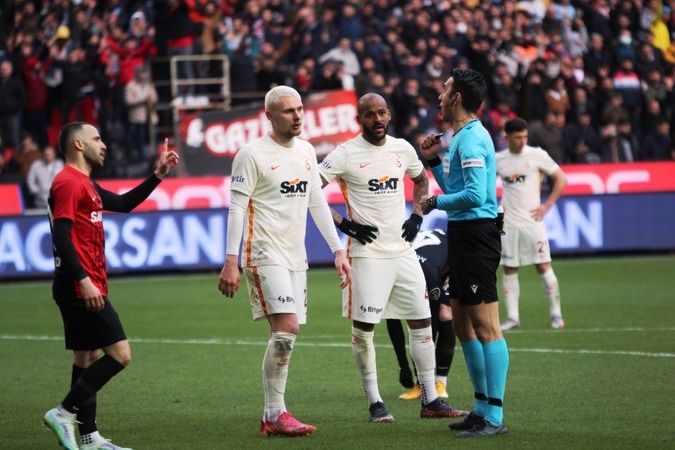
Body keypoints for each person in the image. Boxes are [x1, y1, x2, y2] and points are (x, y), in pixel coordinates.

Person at [319, 92, 466, 424]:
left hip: (402, 251)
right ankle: (375, 403)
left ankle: (431, 400)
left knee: (422, 324)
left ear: (389, 114)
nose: (378, 119)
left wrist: (417, 215)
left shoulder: (402, 149)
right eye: (370, 114)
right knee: (364, 331)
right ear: (360, 120)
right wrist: (346, 224)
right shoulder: (344, 154)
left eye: (382, 112)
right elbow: (310, 191)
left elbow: (420, 178)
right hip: (366, 254)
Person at [217, 86, 351, 437]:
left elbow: (316, 202)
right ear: (269, 116)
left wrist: (338, 250)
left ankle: (272, 415)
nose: (297, 116)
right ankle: (275, 412)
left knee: (284, 333)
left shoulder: (307, 151)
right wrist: (231, 261)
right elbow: (236, 208)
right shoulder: (251, 154)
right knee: (287, 328)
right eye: (289, 111)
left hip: (295, 256)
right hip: (263, 253)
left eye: (300, 109)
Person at [43, 122, 179, 450]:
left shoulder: (84, 183)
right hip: (79, 285)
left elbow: (123, 203)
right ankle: (63, 413)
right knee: (120, 354)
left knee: (86, 358)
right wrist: (83, 280)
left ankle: (89, 438)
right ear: (77, 144)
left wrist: (158, 175)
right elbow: (61, 234)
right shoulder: (67, 182)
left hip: (82, 283)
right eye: (97, 138)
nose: (103, 144)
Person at [419, 68, 509, 437]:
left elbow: (473, 196)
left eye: (444, 89)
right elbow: (458, 187)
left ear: (456, 97)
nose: (439, 95)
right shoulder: (458, 138)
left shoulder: (471, 140)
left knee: (486, 326)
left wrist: (435, 201)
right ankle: (480, 407)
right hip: (461, 233)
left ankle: (495, 416)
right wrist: (434, 163)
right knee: (461, 324)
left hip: (477, 235)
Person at [496, 118, 567, 330]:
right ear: (506, 136)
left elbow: (561, 178)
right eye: (518, 137)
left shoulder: (537, 155)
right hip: (507, 223)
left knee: (543, 265)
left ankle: (556, 314)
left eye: (525, 136)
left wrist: (547, 206)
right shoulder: (498, 159)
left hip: (532, 221)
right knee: (509, 268)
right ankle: (513, 317)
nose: (522, 141)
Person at [386, 229, 458, 402]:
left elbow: (428, 328)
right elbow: (392, 319)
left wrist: (418, 377)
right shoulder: (391, 274)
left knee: (444, 315)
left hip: (448, 261)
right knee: (412, 320)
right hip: (416, 259)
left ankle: (439, 382)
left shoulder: (430, 275)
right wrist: (403, 367)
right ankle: (422, 384)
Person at [26, 145, 64, 209]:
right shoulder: (36, 165)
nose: (47, 156)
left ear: (54, 155)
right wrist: (36, 192)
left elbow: (65, 181)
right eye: (46, 154)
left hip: (57, 201)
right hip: (40, 200)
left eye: (49, 154)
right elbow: (30, 180)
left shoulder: (60, 164)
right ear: (43, 155)